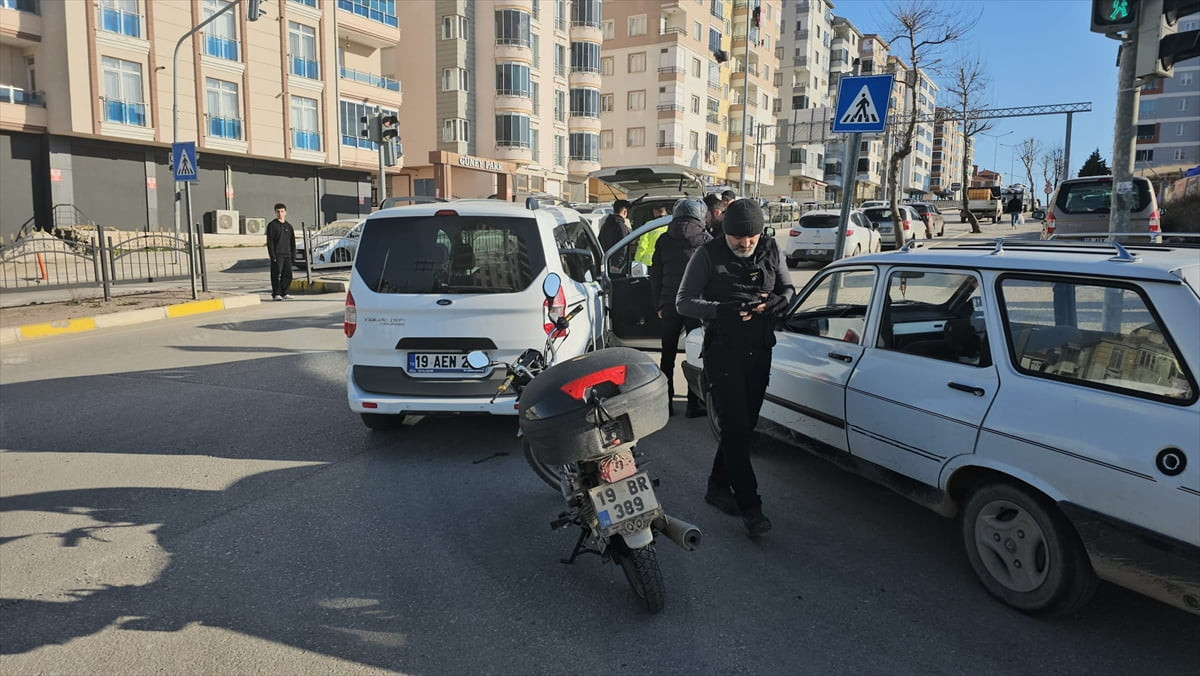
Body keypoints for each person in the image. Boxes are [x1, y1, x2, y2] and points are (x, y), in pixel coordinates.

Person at [677, 199, 794, 537]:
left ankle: (716, 486)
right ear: (724, 233)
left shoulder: (772, 250)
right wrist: (722, 310)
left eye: (752, 239)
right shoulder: (707, 254)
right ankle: (751, 508)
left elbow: (788, 289)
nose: (745, 244)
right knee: (736, 428)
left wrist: (774, 302)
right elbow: (683, 300)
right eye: (737, 239)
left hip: (759, 351)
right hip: (723, 353)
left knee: (742, 428)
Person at [649, 198, 712, 418]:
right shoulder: (706, 240)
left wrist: (659, 302)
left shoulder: (664, 240)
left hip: (669, 303)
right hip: (695, 305)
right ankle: (693, 404)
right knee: (695, 353)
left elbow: (655, 275)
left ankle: (665, 403)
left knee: (667, 355)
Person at [265, 203, 295, 301]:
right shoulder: (272, 225)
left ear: (285, 212)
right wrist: (272, 255)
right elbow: (270, 242)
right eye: (278, 211)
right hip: (277, 255)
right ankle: (276, 294)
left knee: (288, 275)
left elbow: (292, 242)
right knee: (276, 274)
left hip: (287, 254)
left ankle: (284, 292)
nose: (280, 213)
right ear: (275, 212)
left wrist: (293, 254)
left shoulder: (289, 226)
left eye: (282, 211)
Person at [633, 205, 671, 269]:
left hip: (649, 263)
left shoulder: (649, 225)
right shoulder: (670, 225)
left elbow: (642, 245)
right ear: (665, 212)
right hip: (666, 262)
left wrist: (636, 262)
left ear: (654, 211)